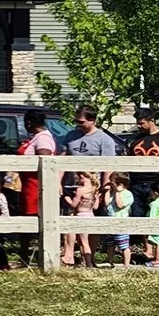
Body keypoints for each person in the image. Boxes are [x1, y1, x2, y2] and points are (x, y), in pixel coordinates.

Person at [120, 106, 159, 267]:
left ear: (151, 121)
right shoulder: (133, 139)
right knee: (141, 218)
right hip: (137, 183)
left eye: (142, 123)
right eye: (137, 123)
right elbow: (122, 161)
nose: (139, 126)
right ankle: (148, 252)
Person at [61, 107, 120, 267]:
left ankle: (88, 257)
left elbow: (108, 165)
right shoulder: (71, 136)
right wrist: (58, 181)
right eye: (76, 121)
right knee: (68, 221)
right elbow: (63, 159)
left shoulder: (104, 139)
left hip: (92, 188)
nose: (77, 124)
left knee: (90, 225)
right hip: (71, 185)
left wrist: (104, 188)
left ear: (92, 120)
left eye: (81, 122)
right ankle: (68, 256)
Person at [16, 108, 59, 268]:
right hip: (27, 185)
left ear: (29, 122)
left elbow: (44, 159)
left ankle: (29, 256)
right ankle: (24, 256)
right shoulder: (35, 138)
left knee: (32, 220)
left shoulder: (43, 139)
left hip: (36, 185)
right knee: (27, 220)